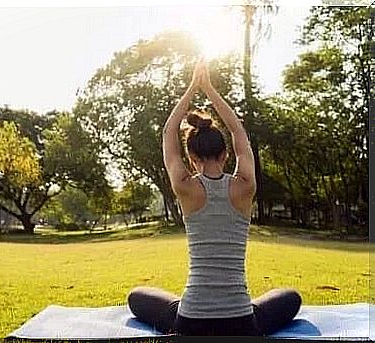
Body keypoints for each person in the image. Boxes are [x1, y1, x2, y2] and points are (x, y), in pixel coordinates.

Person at [126, 60, 302, 336]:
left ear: (192, 157)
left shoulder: (185, 187)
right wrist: (209, 89)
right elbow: (238, 132)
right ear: (226, 154)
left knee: (137, 296)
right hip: (242, 323)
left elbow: (168, 132)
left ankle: (185, 309)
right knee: (290, 297)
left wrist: (192, 88)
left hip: (190, 322)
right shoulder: (245, 187)